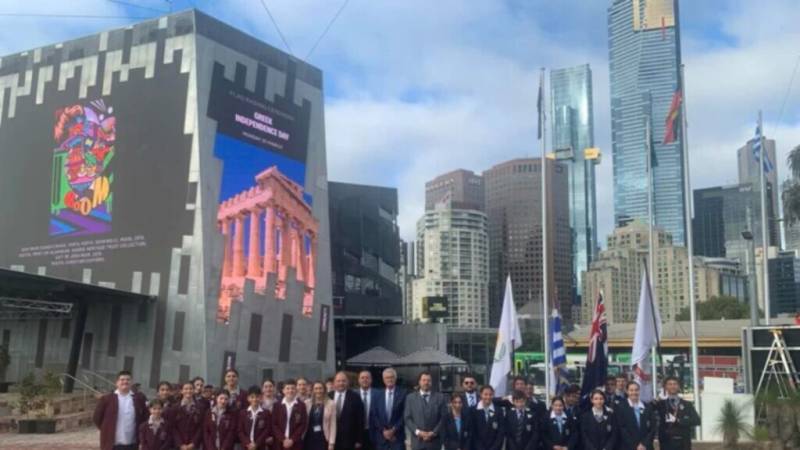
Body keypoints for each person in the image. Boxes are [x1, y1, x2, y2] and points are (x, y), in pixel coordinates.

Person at [93, 370, 148, 450]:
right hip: (112, 445)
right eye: (122, 379)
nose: (125, 382)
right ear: (117, 382)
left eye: (128, 379)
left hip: (132, 443)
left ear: (131, 382)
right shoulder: (107, 399)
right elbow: (97, 418)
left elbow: (145, 417)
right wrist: (107, 429)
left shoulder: (139, 399)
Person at [655, 377, 700, 450]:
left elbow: (697, 420)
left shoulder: (687, 404)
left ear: (678, 386)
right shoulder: (661, 404)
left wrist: (679, 420)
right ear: (665, 387)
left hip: (683, 443)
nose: (672, 386)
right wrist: (658, 398)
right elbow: (648, 409)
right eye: (670, 384)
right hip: (666, 443)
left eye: (675, 384)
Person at [404, 372, 446, 450]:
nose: (426, 382)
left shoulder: (440, 398)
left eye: (428, 380)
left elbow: (443, 418)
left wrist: (433, 433)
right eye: (424, 380)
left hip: (434, 442)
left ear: (431, 382)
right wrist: (418, 432)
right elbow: (407, 418)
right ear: (419, 382)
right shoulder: (410, 398)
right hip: (417, 442)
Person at [370, 367, 406, 450]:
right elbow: (374, 415)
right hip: (381, 438)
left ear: (395, 378)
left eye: (392, 377)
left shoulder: (403, 394)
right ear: (383, 380)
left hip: (397, 438)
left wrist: (394, 430)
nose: (389, 379)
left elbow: (405, 415)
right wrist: (384, 431)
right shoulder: (377, 395)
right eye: (387, 377)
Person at [330, 371, 365, 450]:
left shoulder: (355, 397)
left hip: (349, 440)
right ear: (334, 383)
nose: (341, 383)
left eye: (343, 381)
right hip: (331, 440)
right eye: (338, 381)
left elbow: (360, 420)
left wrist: (359, 440)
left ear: (347, 382)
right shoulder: (329, 396)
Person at [617, 381, 655, 450]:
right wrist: (635, 445)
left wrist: (644, 444)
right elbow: (622, 429)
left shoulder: (647, 407)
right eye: (631, 390)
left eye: (636, 390)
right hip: (628, 447)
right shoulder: (621, 407)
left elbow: (652, 428)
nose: (634, 392)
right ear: (627, 391)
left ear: (639, 391)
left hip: (646, 447)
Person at [272, 379, 308, 450]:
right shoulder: (277, 405)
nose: (290, 391)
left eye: (292, 388)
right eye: (287, 388)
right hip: (279, 443)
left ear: (296, 390)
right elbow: (274, 424)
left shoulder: (301, 405)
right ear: (283, 390)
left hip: (296, 442)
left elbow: (303, 424)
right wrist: (283, 439)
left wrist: (292, 439)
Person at [304, 381, 337, 450]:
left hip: (323, 437)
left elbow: (333, 425)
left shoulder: (331, 404)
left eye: (320, 388)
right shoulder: (306, 403)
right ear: (313, 390)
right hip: (309, 437)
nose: (318, 391)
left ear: (324, 390)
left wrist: (331, 443)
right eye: (316, 388)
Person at [472, 385, 505, 450]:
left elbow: (500, 433)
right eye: (485, 394)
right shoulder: (473, 411)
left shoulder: (499, 411)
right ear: (481, 395)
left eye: (490, 394)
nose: (488, 397)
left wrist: (494, 448)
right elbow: (473, 433)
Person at [238, 386, 271, 450]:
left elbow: (266, 430)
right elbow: (240, 431)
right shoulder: (243, 413)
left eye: (257, 397)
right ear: (248, 398)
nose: (255, 399)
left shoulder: (266, 413)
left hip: (260, 446)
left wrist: (257, 443)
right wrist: (247, 443)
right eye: (252, 397)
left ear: (261, 398)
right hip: (246, 446)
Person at [173, 381, 204, 450]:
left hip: (194, 445)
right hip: (178, 446)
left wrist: (193, 443)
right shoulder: (175, 407)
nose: (188, 391)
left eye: (191, 389)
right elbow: (173, 427)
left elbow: (201, 427)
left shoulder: (200, 407)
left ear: (193, 390)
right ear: (181, 391)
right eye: (186, 389)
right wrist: (180, 444)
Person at [357, 370, 377, 450]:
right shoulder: (352, 395)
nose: (365, 380)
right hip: (358, 434)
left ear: (371, 380)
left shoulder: (379, 394)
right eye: (362, 378)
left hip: (374, 432)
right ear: (358, 380)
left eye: (367, 378)